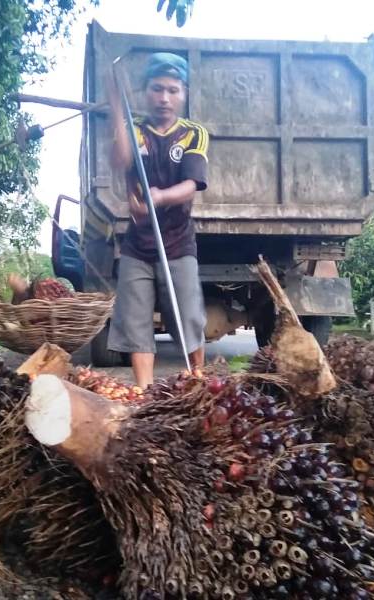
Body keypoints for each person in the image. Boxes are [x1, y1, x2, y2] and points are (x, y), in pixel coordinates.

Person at [105, 52, 210, 388]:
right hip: (138, 244)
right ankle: (143, 394)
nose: (164, 98)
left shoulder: (194, 134)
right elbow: (120, 160)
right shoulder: (134, 131)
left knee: (188, 319)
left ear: (184, 94)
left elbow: (192, 185)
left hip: (178, 243)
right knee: (136, 324)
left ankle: (199, 385)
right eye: (157, 89)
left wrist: (159, 197)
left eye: (173, 90)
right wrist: (116, 108)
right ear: (145, 92)